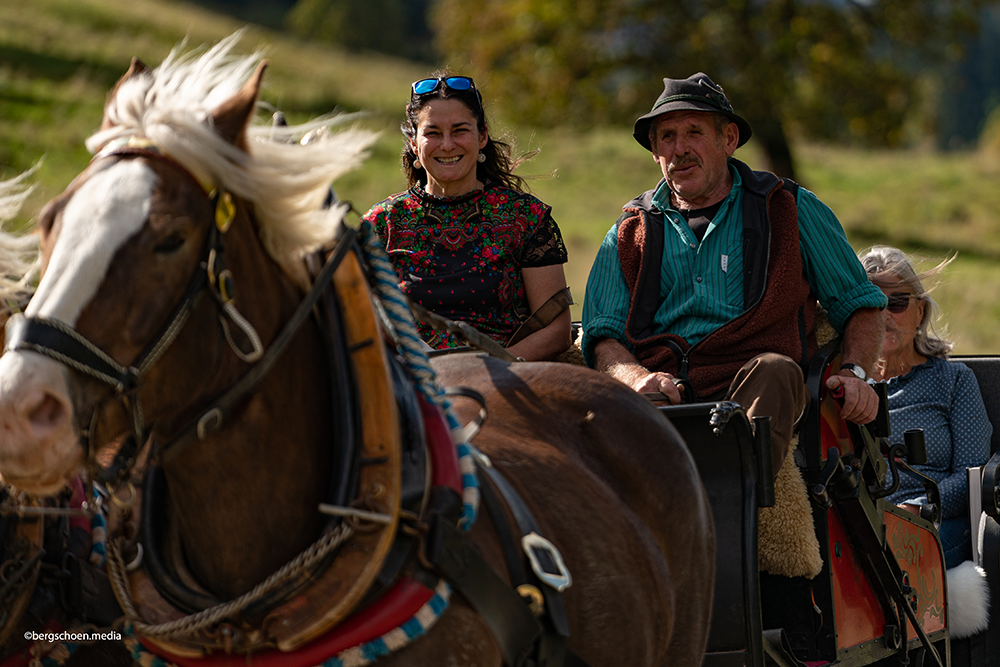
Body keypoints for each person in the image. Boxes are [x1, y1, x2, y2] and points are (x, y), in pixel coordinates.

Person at [582, 72, 887, 475]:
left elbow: (861, 305)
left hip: (759, 388)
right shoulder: (628, 231)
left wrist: (855, 373)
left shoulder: (789, 207)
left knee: (776, 370)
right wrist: (638, 377)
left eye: (694, 132)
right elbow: (603, 335)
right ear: (654, 150)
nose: (680, 149)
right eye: (667, 136)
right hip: (665, 392)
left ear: (728, 140)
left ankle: (729, 491)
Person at [361, 74, 572, 361]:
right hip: (412, 387)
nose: (447, 145)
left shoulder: (525, 218)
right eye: (432, 133)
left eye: (459, 130)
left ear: (482, 136)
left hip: (508, 382)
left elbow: (556, 331)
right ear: (413, 142)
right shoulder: (381, 224)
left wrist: (497, 369)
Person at [861, 246, 991, 569]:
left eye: (898, 302)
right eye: (872, 302)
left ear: (920, 313)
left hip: (938, 523)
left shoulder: (953, 380)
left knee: (893, 563)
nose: (885, 314)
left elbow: (971, 475)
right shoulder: (847, 387)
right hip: (863, 524)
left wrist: (918, 508)